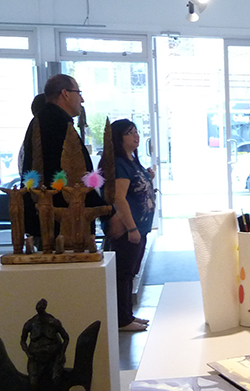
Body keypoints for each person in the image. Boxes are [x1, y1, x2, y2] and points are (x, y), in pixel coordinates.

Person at [20, 75, 97, 243]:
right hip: (61, 221)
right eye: (78, 93)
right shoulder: (54, 124)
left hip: (53, 216)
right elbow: (70, 173)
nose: (82, 100)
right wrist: (99, 207)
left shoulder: (49, 120)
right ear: (65, 93)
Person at [100, 119, 156, 332]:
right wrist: (131, 228)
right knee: (123, 274)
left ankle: (127, 315)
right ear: (118, 138)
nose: (136, 136)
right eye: (130, 132)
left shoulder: (132, 161)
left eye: (136, 131)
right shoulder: (119, 164)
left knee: (130, 272)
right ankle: (122, 320)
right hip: (127, 228)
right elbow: (119, 197)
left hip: (140, 227)